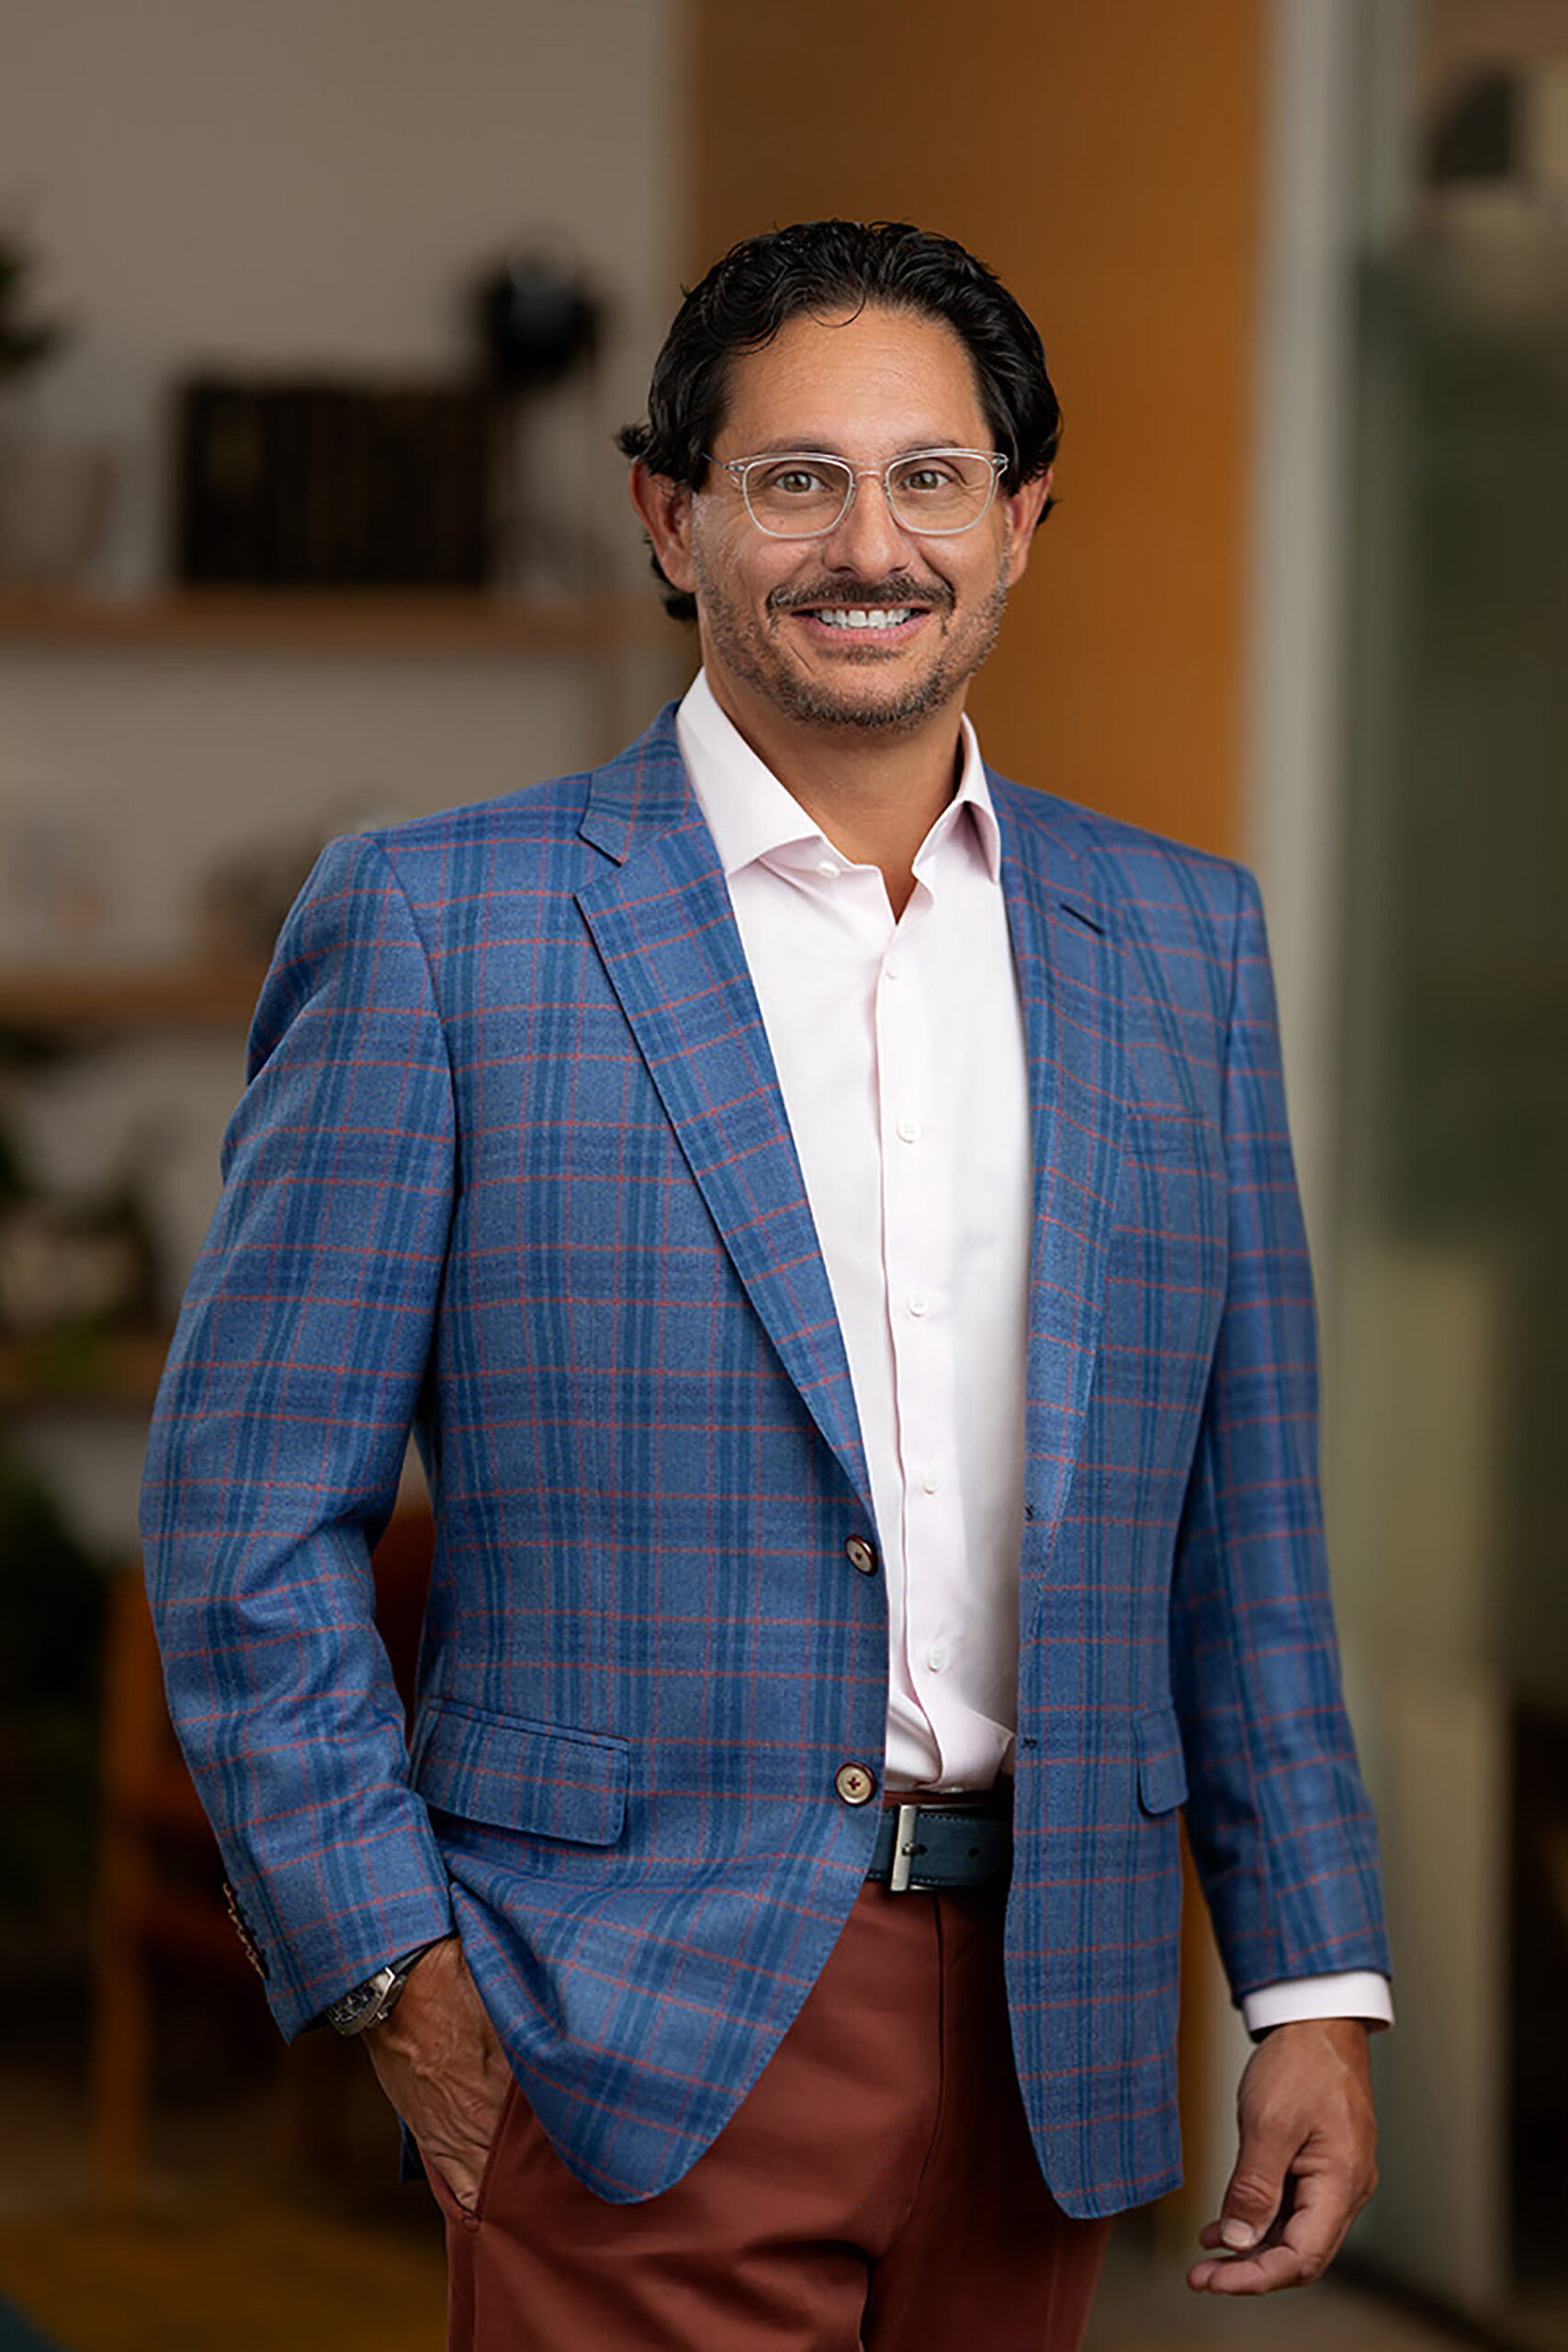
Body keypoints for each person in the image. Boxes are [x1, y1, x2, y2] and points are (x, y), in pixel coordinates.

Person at [141, 220, 1393, 2351]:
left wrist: (1308, 1983)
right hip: (613, 2017)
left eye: (928, 478)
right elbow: (246, 1519)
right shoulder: (447, 929)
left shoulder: (1180, 946)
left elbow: (1240, 1538)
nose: (865, 540)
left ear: (1017, 526)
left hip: (1051, 2014)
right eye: (793, 476)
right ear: (671, 515)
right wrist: (395, 1976)